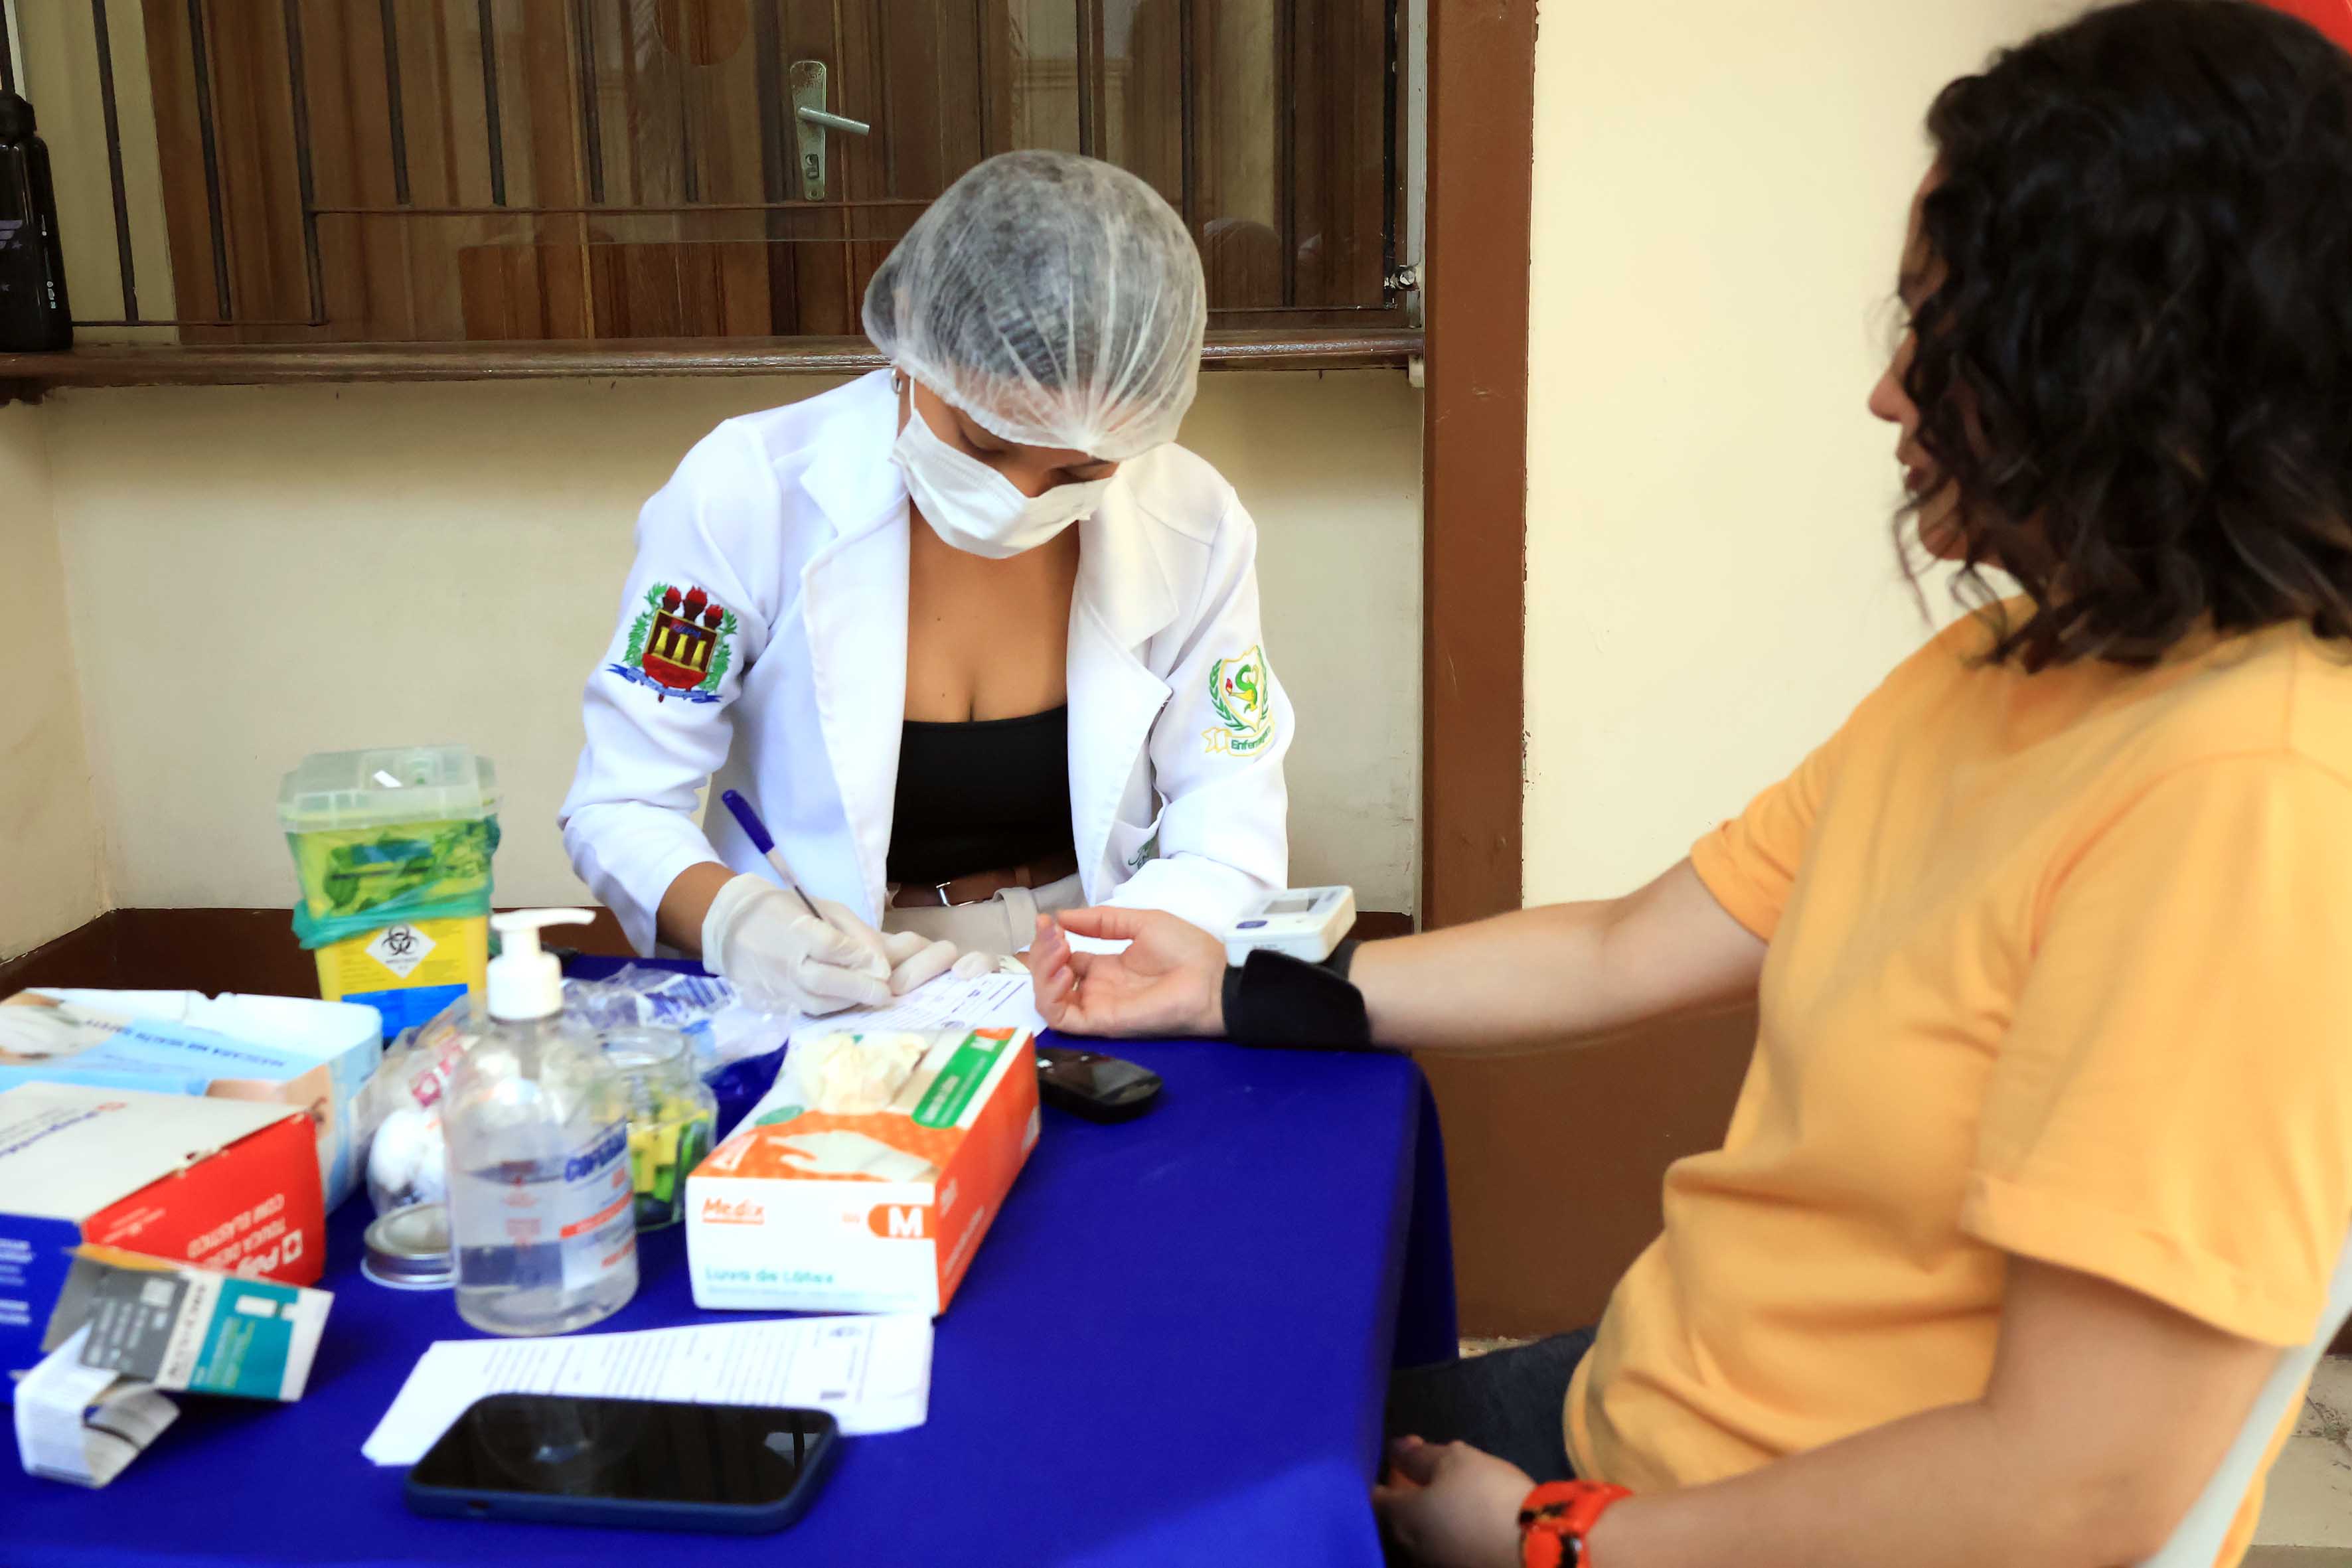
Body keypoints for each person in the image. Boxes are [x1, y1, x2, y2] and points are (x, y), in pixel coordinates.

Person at [1023, 4, 2352, 1564]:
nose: (1886, 395)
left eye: (1936, 331)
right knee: (1168, 1421)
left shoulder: (2249, 798)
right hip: (1641, 1410)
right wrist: (1235, 989)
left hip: (1727, 1517)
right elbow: (1622, 947)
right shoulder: (2008, 661)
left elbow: (2068, 1485)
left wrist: (1555, 1535)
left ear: (2117, 363)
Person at [562, 151, 1292, 1018]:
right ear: (914, 334)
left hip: (1093, 967)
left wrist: (1095, 964)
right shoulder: (749, 493)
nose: (1020, 496)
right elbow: (622, 801)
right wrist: (742, 923)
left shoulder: (1189, 522)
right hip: (831, 976)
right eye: (985, 445)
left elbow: (1228, 817)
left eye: (1077, 469)